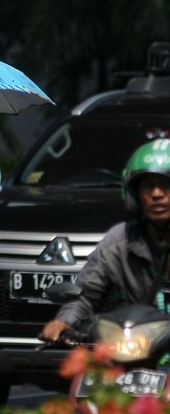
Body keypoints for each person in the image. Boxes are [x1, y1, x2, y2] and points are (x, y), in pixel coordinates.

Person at [41, 138, 170, 342]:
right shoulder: (119, 240)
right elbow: (85, 295)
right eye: (148, 186)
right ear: (135, 195)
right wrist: (65, 321)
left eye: (166, 185)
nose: (156, 194)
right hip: (136, 350)